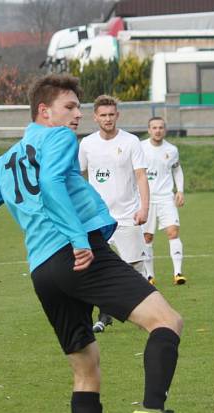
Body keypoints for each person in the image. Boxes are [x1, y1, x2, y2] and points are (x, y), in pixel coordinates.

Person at [0, 74, 192, 413]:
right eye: (71, 107)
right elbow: (55, 185)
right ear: (45, 112)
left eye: (80, 109)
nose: (79, 115)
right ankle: (153, 407)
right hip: (79, 254)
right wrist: (79, 240)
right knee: (167, 321)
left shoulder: (4, 164)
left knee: (86, 369)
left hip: (43, 273)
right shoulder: (58, 140)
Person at [78, 95, 150, 333]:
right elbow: (77, 178)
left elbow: (141, 176)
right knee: (94, 268)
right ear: (95, 117)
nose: (108, 119)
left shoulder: (131, 142)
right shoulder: (87, 144)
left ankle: (141, 312)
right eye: (103, 115)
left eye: (111, 115)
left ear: (117, 116)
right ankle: (103, 315)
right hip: (97, 218)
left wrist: (144, 208)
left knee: (134, 266)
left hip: (128, 214)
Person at [140, 117, 186, 286]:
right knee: (147, 237)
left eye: (160, 127)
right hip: (146, 198)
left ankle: (178, 273)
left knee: (173, 232)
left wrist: (180, 190)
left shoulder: (172, 150)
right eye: (154, 127)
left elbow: (177, 170)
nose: (157, 130)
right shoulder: (140, 147)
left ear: (164, 130)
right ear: (149, 130)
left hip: (166, 197)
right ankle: (149, 276)